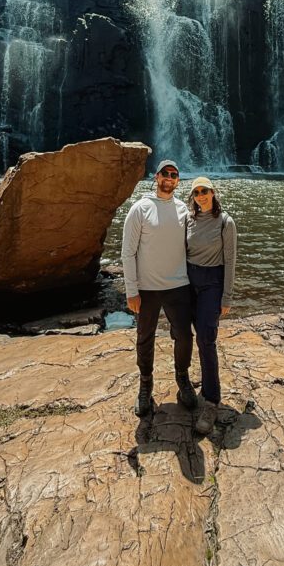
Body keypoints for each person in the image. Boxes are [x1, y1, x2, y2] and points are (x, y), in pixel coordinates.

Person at [121, 159, 197, 418]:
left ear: (178, 181)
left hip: (179, 285)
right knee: (145, 337)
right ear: (156, 177)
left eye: (174, 175)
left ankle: (183, 379)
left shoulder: (184, 211)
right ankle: (145, 384)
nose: (169, 178)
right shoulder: (140, 209)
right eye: (165, 173)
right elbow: (128, 252)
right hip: (147, 288)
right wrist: (131, 290)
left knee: (185, 336)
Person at [186, 176, 237, 436]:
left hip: (211, 283)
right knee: (186, 335)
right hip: (188, 282)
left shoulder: (226, 222)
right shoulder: (189, 218)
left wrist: (226, 297)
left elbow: (230, 261)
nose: (201, 196)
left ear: (213, 192)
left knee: (206, 338)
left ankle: (211, 400)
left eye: (204, 191)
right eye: (196, 192)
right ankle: (189, 383)